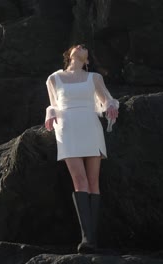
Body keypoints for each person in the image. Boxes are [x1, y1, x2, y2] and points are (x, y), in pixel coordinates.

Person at [44, 44, 119, 254]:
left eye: (84, 48)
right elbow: (53, 104)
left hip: (90, 125)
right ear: (69, 54)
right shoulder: (53, 78)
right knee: (80, 180)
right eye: (77, 46)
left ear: (87, 60)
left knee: (93, 181)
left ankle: (90, 239)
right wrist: (50, 113)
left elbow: (106, 100)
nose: (80, 47)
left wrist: (112, 107)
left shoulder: (94, 77)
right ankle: (87, 238)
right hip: (67, 128)